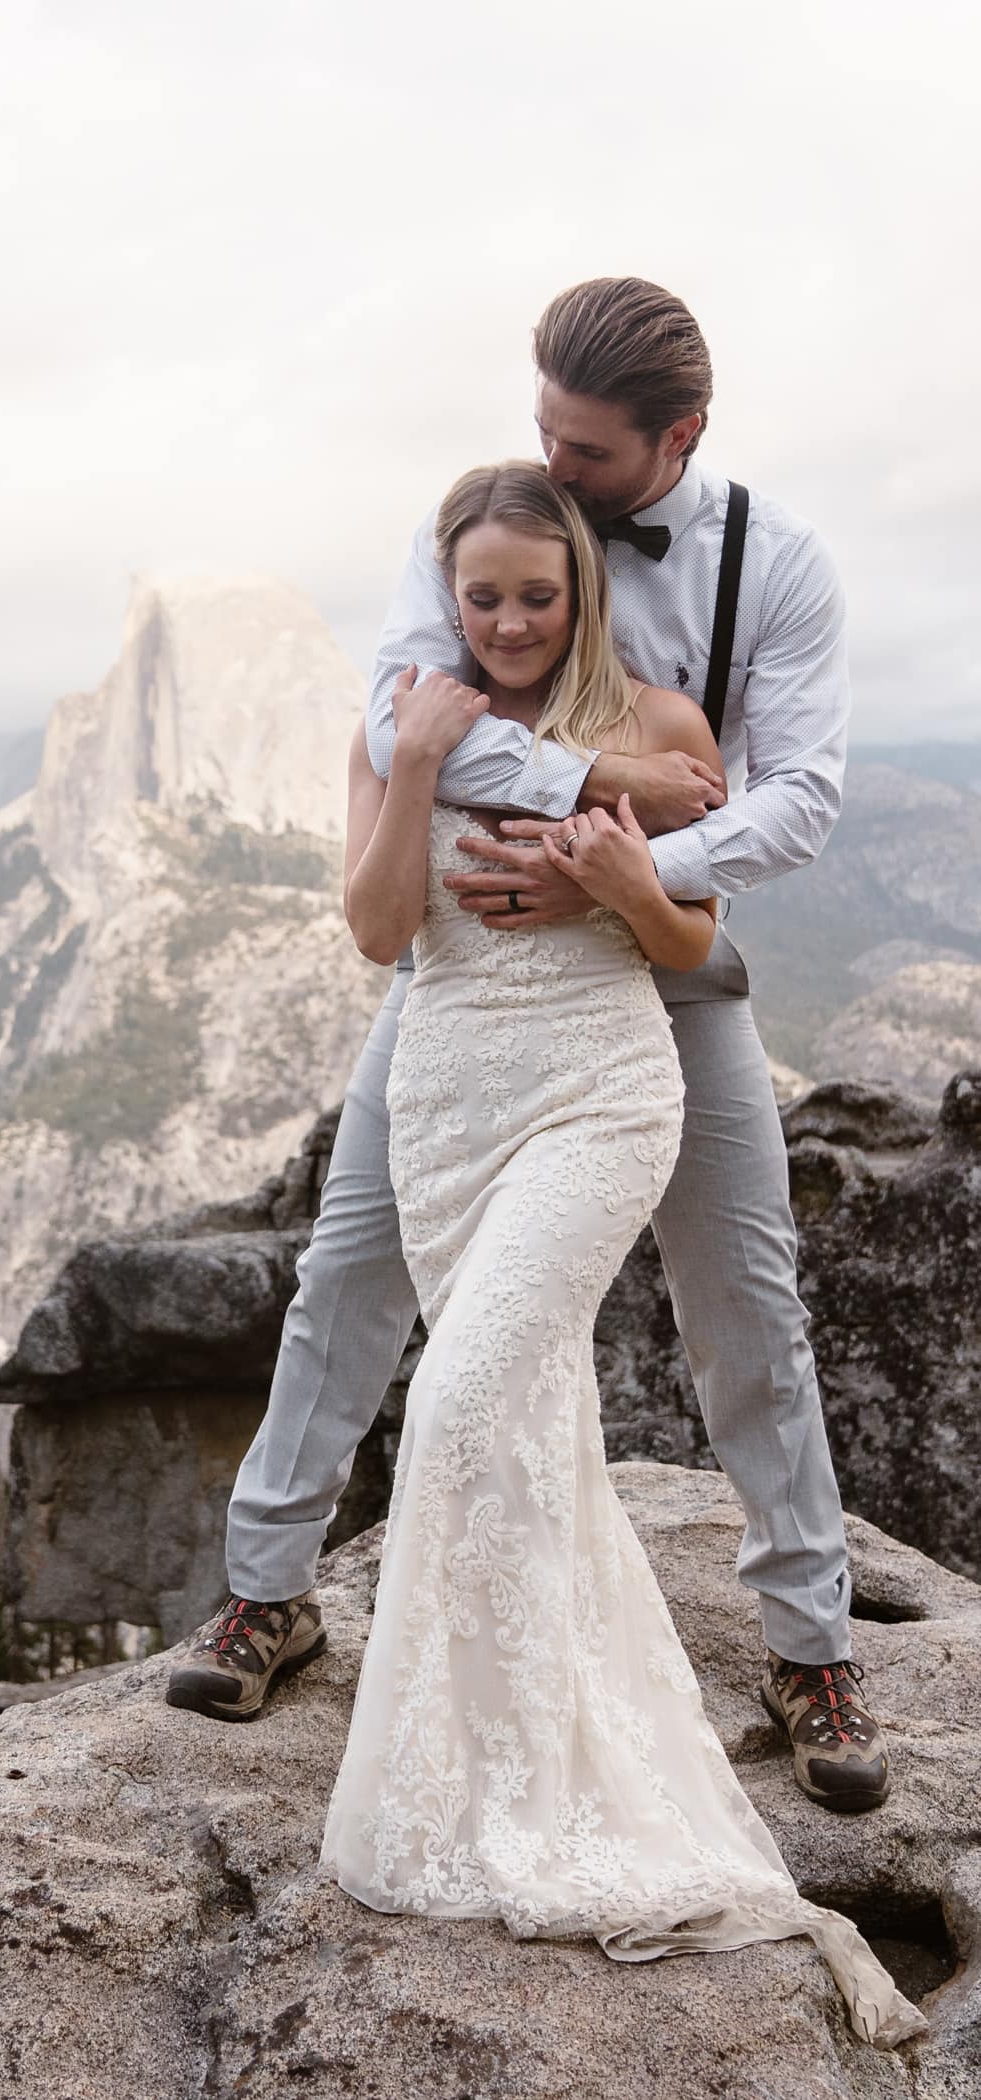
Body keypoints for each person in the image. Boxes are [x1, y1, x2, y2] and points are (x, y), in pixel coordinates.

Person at [168, 278, 891, 1829]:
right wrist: (608, 784)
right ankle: (267, 1594)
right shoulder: (493, 530)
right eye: (542, 431)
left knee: (746, 1298)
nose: (555, 469)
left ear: (676, 438)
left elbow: (799, 802)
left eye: (589, 450)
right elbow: (410, 715)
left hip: (659, 965)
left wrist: (624, 871)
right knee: (346, 1275)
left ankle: (810, 1648)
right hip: (473, 982)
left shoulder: (783, 568)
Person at [315, 459, 921, 2046]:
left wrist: (615, 869)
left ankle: (789, 1657)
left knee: (462, 1400)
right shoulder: (402, 715)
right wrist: (422, 755)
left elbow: (692, 941)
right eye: (482, 595)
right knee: (520, 1427)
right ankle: (507, 1736)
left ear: (582, 588)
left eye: (538, 592)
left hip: (599, 1085)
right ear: (449, 594)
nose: (508, 618)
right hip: (449, 1103)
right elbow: (379, 933)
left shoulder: (660, 733)